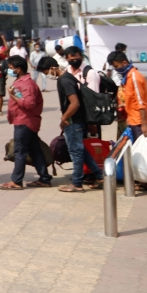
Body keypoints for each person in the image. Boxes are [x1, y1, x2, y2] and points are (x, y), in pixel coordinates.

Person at [50, 48, 103, 192]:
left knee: (76, 151)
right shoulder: (67, 72)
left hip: (82, 118)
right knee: (81, 149)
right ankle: (98, 176)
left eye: (76, 56)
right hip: (75, 117)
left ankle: (77, 182)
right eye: (70, 57)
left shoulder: (89, 73)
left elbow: (92, 100)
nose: (73, 59)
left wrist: (91, 124)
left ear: (81, 56)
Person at [0, 56, 52, 190]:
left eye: (11, 68)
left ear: (18, 69)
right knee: (35, 150)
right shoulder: (21, 81)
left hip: (25, 121)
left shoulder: (27, 84)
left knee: (20, 151)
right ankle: (44, 178)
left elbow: (29, 104)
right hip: (25, 121)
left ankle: (16, 181)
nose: (9, 70)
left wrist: (12, 96)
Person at [111, 51, 147, 191]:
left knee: (143, 152)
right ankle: (144, 180)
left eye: (117, 66)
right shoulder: (128, 77)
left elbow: (141, 102)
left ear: (125, 63)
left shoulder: (134, 77)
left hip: (139, 121)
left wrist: (143, 124)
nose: (116, 69)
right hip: (133, 119)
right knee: (138, 151)